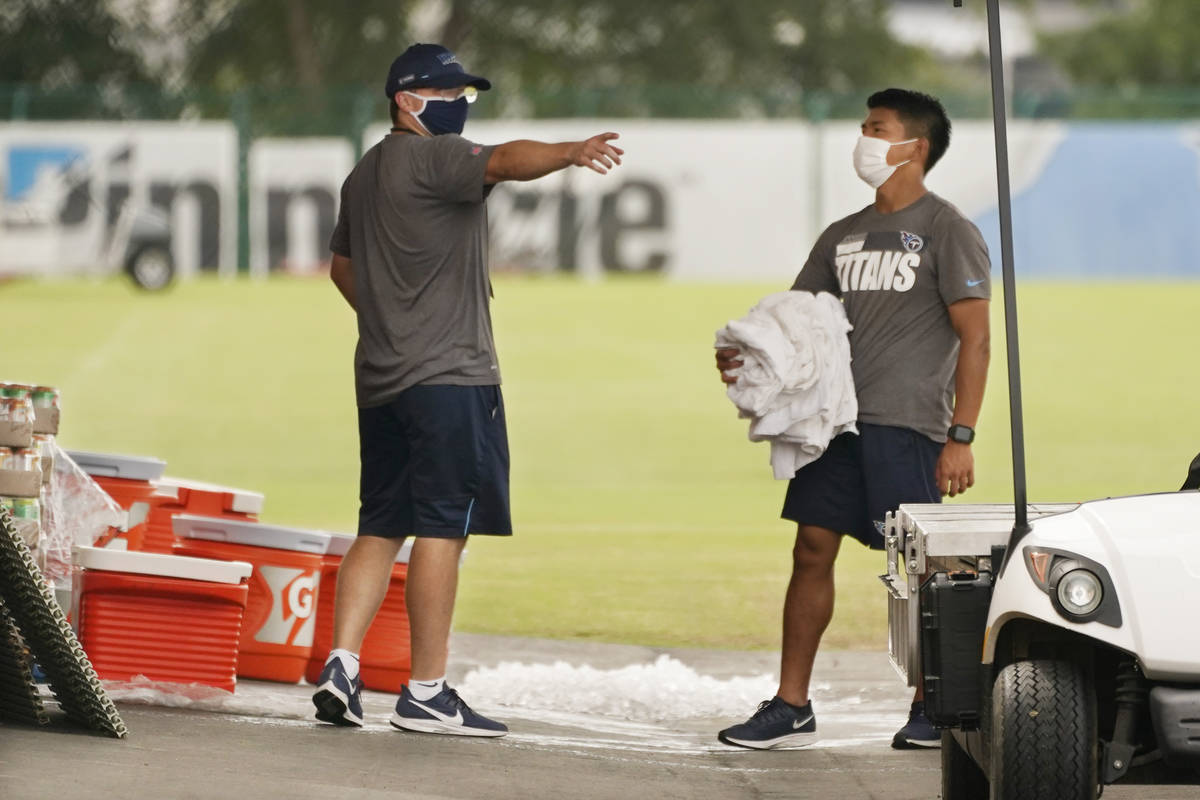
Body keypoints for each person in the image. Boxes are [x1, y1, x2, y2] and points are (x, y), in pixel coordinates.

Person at [312, 43, 624, 737]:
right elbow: (505, 160)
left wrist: (391, 318)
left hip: (382, 380)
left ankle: (342, 663)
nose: (459, 103)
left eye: (466, 94)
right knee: (442, 528)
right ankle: (425, 691)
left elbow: (340, 267)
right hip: (450, 378)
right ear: (405, 100)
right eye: (447, 92)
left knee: (379, 524)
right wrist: (572, 151)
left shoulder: (362, 175)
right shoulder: (435, 158)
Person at [714, 88, 991, 750]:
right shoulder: (842, 234)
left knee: (921, 570)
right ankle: (791, 703)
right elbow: (794, 320)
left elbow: (976, 338)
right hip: (833, 426)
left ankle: (932, 705)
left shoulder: (948, 229)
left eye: (877, 128)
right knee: (811, 549)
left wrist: (962, 436)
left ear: (914, 146)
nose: (863, 139)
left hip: (911, 424)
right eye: (864, 127)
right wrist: (747, 356)